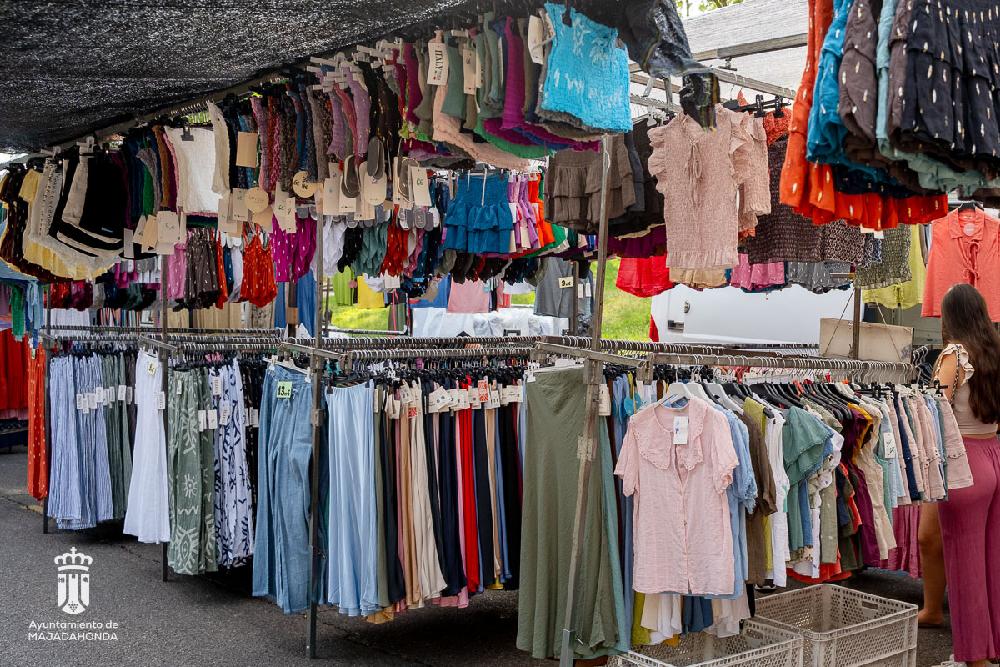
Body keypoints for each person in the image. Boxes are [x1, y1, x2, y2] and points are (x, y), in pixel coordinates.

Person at [926, 284, 1000, 666]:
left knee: (965, 563)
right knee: (993, 560)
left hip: (965, 461)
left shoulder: (954, 355)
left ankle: (974, 657)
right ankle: (993, 646)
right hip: (995, 455)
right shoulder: (994, 352)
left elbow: (934, 411)